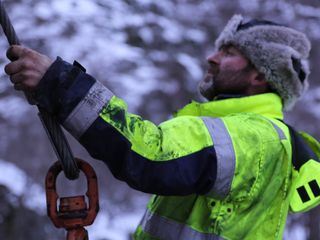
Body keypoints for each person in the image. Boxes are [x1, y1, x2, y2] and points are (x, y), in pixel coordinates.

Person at [4, 14, 319, 239]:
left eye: (229, 52)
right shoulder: (260, 134)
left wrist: (60, 84)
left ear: (261, 76)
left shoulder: (254, 136)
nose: (212, 57)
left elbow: (153, 155)